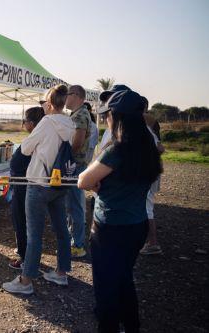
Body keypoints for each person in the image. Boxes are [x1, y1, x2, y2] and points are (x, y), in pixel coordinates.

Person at [78, 90, 162, 332]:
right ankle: (132, 326)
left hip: (110, 228)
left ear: (117, 117)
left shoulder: (117, 149)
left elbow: (83, 180)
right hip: (137, 226)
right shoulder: (148, 148)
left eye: (108, 115)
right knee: (124, 279)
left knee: (106, 287)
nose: (106, 120)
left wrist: (96, 183)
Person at [2, 84, 75, 294]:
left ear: (50, 104)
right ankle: (61, 272)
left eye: (45, 102)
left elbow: (25, 148)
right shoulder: (70, 122)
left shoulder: (46, 122)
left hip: (39, 182)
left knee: (34, 233)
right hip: (59, 182)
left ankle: (25, 281)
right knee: (61, 229)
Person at [8, 106, 45, 270]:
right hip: (31, 184)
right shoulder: (45, 136)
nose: (23, 124)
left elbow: (16, 163)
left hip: (25, 185)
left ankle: (25, 259)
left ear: (31, 123)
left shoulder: (35, 138)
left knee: (22, 221)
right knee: (30, 223)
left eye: (24, 121)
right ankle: (29, 256)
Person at [65, 85, 92, 258]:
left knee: (75, 206)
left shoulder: (81, 115)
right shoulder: (77, 114)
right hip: (75, 165)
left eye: (67, 95)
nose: (65, 98)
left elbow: (78, 141)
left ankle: (78, 245)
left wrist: (66, 157)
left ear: (76, 96)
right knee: (72, 205)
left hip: (75, 165)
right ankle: (73, 240)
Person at [140, 96, 165, 255]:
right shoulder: (152, 123)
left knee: (146, 208)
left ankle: (153, 243)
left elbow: (159, 148)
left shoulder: (143, 124)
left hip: (146, 172)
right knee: (145, 206)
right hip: (152, 170)